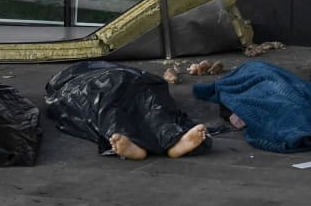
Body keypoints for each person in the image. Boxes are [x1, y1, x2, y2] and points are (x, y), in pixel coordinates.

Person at [44, 60, 208, 160]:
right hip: (120, 83)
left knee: (115, 108)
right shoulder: (72, 82)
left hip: (129, 82)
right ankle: (169, 138)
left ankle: (168, 140)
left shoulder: (71, 80)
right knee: (147, 107)